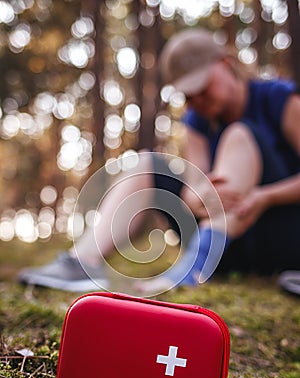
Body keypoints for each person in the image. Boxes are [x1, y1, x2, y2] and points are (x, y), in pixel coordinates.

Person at [18, 28, 300, 294]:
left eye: (203, 87)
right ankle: (81, 263)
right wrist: (200, 198)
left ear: (226, 64)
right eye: (188, 95)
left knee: (239, 133)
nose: (196, 100)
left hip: (280, 234)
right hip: (226, 249)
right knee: (145, 163)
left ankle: (193, 265)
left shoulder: (279, 99)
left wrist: (265, 197)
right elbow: (194, 188)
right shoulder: (196, 122)